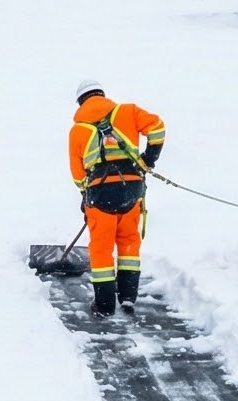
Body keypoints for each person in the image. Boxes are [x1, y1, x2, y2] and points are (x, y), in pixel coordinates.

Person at [66, 81, 165, 316]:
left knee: (101, 248)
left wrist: (85, 195)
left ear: (81, 102)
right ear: (102, 95)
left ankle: (104, 305)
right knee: (129, 241)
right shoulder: (128, 112)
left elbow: (77, 172)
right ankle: (128, 297)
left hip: (100, 195)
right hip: (132, 189)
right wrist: (148, 159)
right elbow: (157, 128)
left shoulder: (78, 131)